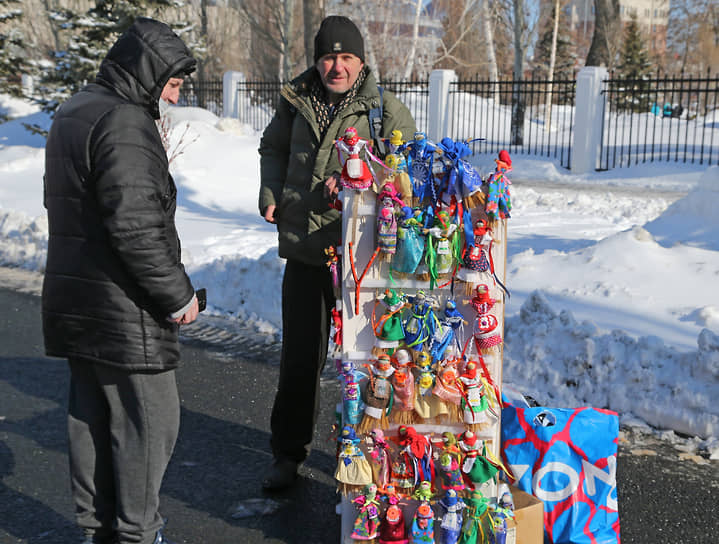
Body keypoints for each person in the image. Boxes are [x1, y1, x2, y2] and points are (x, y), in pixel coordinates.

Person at [42, 17, 199, 544]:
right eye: (172, 83)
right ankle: (135, 533)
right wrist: (177, 295)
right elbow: (134, 224)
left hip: (79, 296)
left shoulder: (77, 108)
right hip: (122, 307)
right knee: (150, 422)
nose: (174, 97)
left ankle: (97, 529)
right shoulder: (125, 120)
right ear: (148, 71)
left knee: (91, 416)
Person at [258, 15, 416, 490]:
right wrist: (270, 194)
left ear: (361, 61)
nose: (337, 66)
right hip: (307, 251)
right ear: (317, 59)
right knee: (301, 358)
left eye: (346, 57)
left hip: (361, 260)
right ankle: (288, 456)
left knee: (369, 360)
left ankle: (372, 459)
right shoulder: (296, 101)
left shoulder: (383, 109)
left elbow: (406, 169)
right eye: (329, 56)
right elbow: (272, 149)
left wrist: (359, 177)